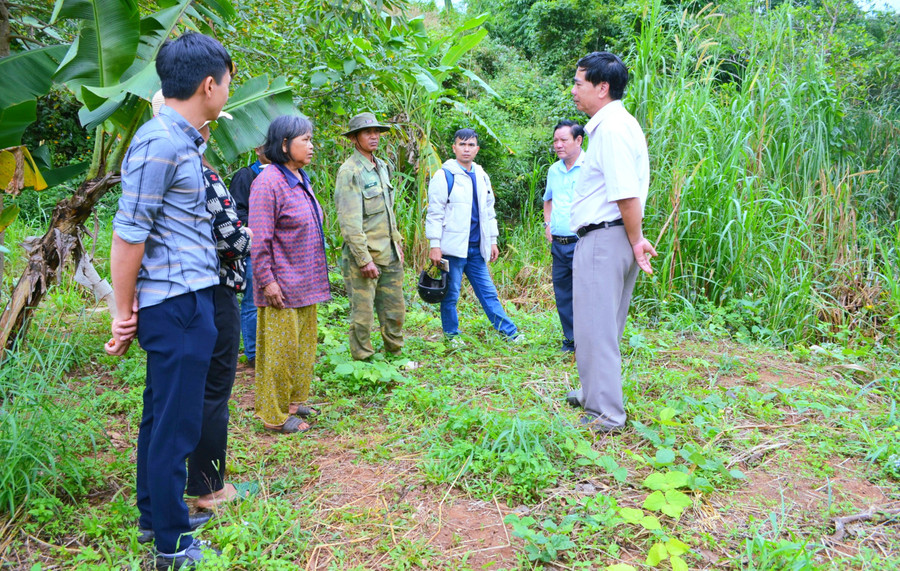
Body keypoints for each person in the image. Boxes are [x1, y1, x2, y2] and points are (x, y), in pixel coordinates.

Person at [104, 32, 231, 569]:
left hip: (187, 298)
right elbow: (129, 234)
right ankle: (171, 545)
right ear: (209, 84)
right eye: (227, 82)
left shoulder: (183, 139)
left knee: (161, 418)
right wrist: (121, 310)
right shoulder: (161, 143)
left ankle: (155, 517)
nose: (229, 91)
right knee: (174, 425)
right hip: (176, 304)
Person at [567, 51, 657, 433]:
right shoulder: (613, 125)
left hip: (605, 237)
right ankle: (593, 393)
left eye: (578, 83)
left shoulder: (613, 128)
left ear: (602, 88)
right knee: (599, 325)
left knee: (596, 327)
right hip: (612, 235)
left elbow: (625, 193)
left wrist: (636, 240)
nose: (573, 91)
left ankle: (605, 414)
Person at [186, 120, 254, 509]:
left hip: (183, 290)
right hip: (216, 285)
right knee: (214, 388)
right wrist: (252, 236)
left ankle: (193, 478)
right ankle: (209, 486)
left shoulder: (153, 160)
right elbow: (230, 238)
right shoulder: (200, 169)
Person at [249, 114, 330, 434]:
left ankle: (293, 403)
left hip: (306, 282)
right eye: (305, 140)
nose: (312, 146)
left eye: (311, 139)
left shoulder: (299, 177)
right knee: (280, 354)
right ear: (284, 144)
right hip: (281, 285)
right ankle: (275, 414)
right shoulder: (268, 182)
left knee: (302, 350)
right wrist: (267, 280)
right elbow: (260, 238)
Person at [425, 129, 521, 343]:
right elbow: (435, 212)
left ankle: (510, 333)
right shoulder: (444, 175)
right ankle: (451, 335)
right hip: (452, 248)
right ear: (454, 148)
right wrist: (435, 244)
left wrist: (493, 240)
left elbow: (489, 211)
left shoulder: (481, 175)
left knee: (488, 293)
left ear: (477, 149)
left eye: (470, 145)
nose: (466, 149)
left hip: (477, 248)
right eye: (462, 144)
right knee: (450, 295)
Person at [334, 112, 405, 360]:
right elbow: (350, 222)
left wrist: (397, 242)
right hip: (364, 257)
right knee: (362, 316)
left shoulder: (382, 166)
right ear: (354, 138)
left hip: (389, 253)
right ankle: (363, 362)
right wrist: (364, 259)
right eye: (367, 132)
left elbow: (388, 211)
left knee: (395, 311)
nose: (373, 136)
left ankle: (395, 355)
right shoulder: (350, 171)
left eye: (376, 132)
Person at [542, 120, 585, 353]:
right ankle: (570, 340)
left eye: (563, 140)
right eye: (555, 140)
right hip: (559, 243)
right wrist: (547, 224)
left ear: (578, 140)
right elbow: (547, 199)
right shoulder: (554, 170)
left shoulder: (591, 167)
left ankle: (588, 341)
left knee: (587, 294)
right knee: (563, 293)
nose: (558, 145)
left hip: (583, 242)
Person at [230, 145, 270, 368]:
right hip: (255, 247)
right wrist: (264, 221)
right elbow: (237, 214)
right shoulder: (246, 176)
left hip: (278, 249)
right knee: (253, 299)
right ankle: (254, 353)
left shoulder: (283, 174)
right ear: (256, 149)